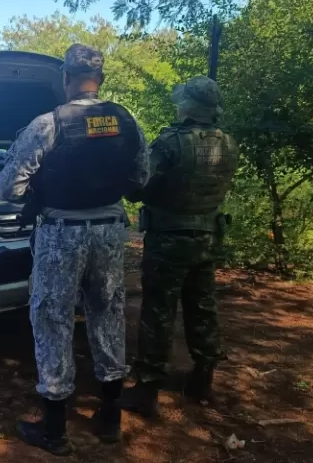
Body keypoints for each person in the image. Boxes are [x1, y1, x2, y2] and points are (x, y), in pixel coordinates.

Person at [0, 44, 149, 456]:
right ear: (101, 79)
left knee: (52, 319)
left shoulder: (48, 124)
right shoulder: (126, 120)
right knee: (108, 312)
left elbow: (8, 187)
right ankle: (110, 419)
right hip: (110, 233)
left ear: (65, 78)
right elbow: (141, 178)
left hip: (61, 234)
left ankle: (54, 430)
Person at [120, 75, 239, 418]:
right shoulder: (228, 142)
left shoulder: (171, 142)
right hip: (208, 237)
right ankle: (203, 378)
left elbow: (140, 187)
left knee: (158, 310)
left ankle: (147, 388)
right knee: (202, 306)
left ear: (188, 105)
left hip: (169, 238)